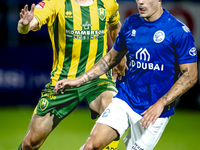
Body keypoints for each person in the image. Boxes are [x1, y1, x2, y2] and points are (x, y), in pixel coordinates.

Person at [54, 0, 198, 149]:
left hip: (154, 112)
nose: (140, 2)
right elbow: (111, 58)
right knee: (90, 146)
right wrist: (79, 80)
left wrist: (162, 103)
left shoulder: (178, 31)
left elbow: (190, 75)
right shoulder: (130, 24)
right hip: (125, 100)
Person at [17, 0, 127, 149]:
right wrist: (24, 24)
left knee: (115, 111)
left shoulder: (107, 3)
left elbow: (115, 26)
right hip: (63, 82)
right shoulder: (55, 3)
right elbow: (26, 26)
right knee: (30, 144)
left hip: (97, 79)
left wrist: (120, 56)